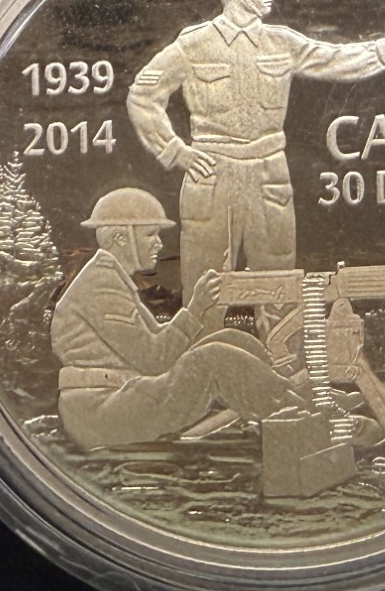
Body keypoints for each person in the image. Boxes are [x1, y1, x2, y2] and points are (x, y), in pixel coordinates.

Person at [125, 0, 385, 300]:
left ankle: (281, 340)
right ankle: (203, 339)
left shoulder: (281, 42)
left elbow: (334, 59)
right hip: (212, 174)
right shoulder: (194, 44)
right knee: (205, 287)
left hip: (269, 172)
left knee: (280, 285)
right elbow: (143, 95)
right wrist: (176, 151)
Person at [51, 188, 308, 451]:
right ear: (120, 238)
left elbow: (158, 344)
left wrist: (199, 315)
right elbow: (154, 359)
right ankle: (293, 409)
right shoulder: (101, 286)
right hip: (100, 413)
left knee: (232, 339)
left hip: (118, 397)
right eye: (150, 234)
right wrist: (196, 308)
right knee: (214, 358)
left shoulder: (110, 279)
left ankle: (279, 395)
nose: (159, 244)